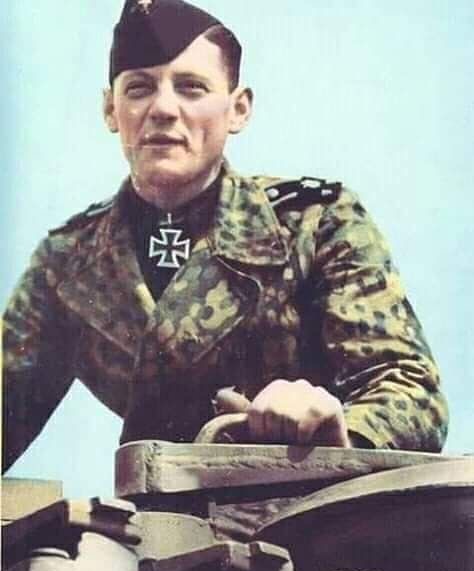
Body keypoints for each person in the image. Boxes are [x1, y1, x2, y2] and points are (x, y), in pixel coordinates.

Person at [2, 0, 448, 473]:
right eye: (139, 88)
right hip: (153, 504)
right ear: (111, 110)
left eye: (191, 88)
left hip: (308, 500)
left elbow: (411, 391)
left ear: (238, 109)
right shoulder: (68, 260)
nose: (163, 109)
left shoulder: (315, 224)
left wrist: (340, 430)